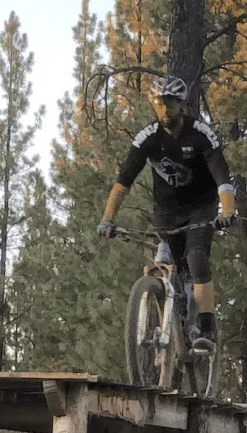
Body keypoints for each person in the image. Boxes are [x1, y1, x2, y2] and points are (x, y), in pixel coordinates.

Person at [97, 74, 236, 353]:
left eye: (170, 103)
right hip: (166, 211)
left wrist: (228, 210)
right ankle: (161, 310)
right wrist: (107, 219)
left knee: (196, 259)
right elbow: (123, 182)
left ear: (181, 104)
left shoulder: (200, 134)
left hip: (201, 208)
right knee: (162, 263)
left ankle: (206, 329)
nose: (164, 110)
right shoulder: (147, 138)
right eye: (159, 103)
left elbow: (222, 177)